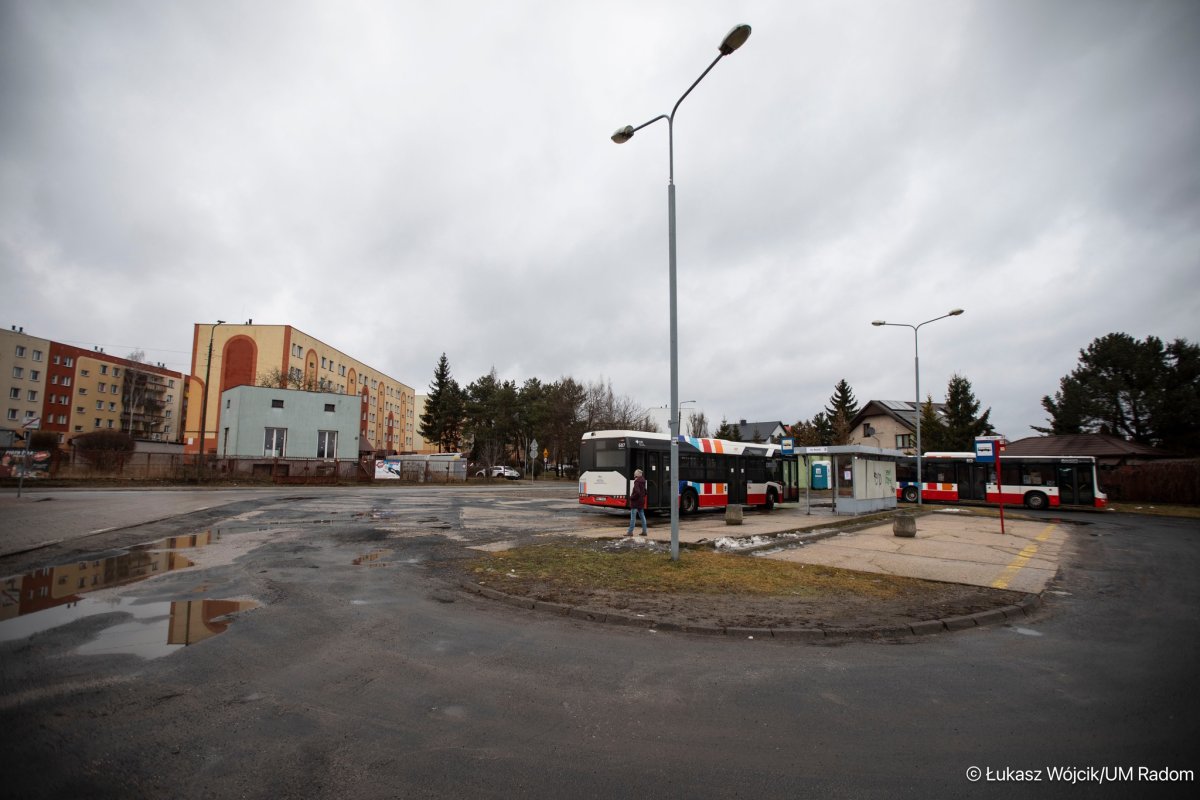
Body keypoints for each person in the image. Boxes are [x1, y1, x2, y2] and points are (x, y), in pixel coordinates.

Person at [626, 468, 648, 536]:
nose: (634, 476)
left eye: (635, 474)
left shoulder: (637, 482)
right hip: (641, 501)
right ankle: (644, 531)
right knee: (642, 516)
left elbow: (637, 492)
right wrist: (642, 496)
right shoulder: (643, 481)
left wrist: (631, 497)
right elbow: (645, 491)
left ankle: (630, 532)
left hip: (635, 502)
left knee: (633, 518)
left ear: (637, 475)